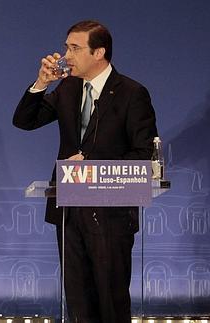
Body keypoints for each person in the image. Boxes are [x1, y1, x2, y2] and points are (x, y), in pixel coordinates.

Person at [13, 20, 157, 322]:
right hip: (69, 213)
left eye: (75, 48)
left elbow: (144, 156)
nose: (66, 55)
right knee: (79, 305)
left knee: (111, 303)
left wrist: (92, 169)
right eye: (67, 47)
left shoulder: (132, 93)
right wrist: (41, 84)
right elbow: (25, 121)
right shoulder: (67, 88)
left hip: (111, 216)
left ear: (99, 52)